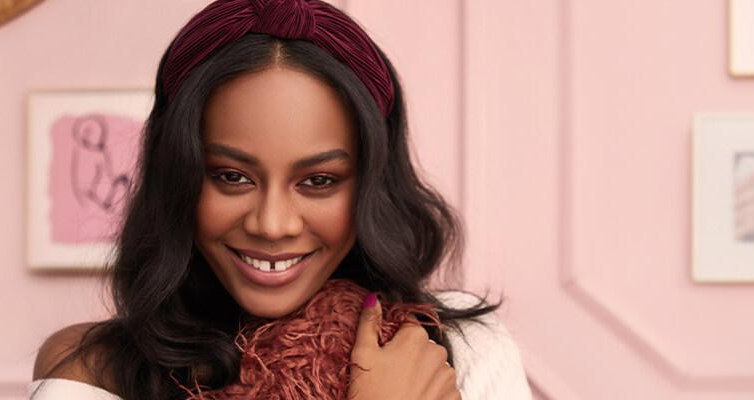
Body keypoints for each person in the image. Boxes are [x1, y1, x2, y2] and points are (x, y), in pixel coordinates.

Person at [28, 1, 532, 398]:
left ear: (371, 184)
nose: (272, 224)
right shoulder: (93, 370)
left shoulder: (461, 348)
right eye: (231, 177)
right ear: (178, 176)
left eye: (319, 181)